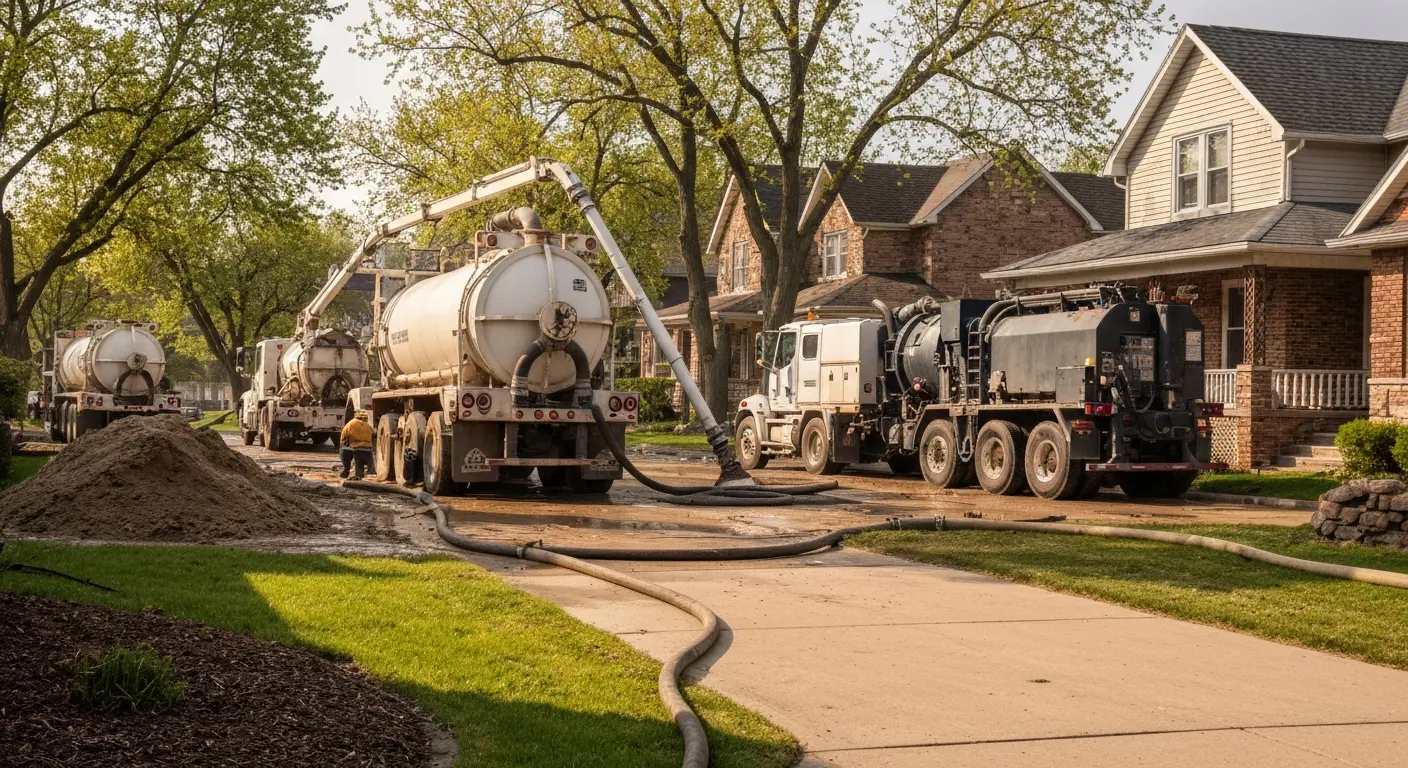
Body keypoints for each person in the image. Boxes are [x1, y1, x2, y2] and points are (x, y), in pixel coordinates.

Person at [339, 411, 374, 480]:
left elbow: (343, 437)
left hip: (357, 448)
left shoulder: (351, 423)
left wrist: (346, 443)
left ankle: (346, 470)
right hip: (369, 450)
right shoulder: (368, 426)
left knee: (344, 451)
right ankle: (366, 472)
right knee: (360, 462)